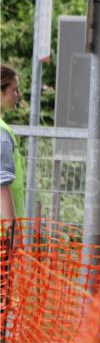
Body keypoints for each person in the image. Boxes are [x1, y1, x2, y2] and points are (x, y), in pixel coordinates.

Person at [1, 63, 24, 224]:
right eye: (14, 90)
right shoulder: (2, 133)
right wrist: (14, 235)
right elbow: (1, 186)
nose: (18, 94)